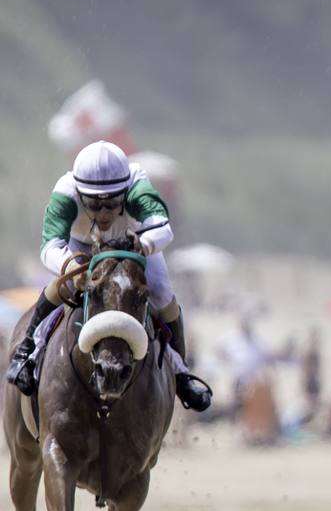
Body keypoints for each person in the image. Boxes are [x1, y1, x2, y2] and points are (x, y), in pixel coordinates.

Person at [5, 140, 212, 411]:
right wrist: (70, 265)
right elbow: (49, 247)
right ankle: (27, 352)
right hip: (83, 245)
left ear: (124, 191)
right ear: (80, 194)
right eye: (93, 204)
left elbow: (162, 228)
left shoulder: (138, 185)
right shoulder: (65, 194)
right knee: (63, 286)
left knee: (161, 292)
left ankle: (181, 374)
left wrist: (144, 244)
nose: (103, 213)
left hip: (134, 243)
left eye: (113, 203)